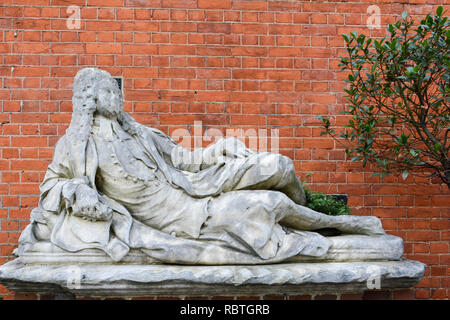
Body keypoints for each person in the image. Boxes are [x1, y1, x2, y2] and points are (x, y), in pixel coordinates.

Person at [18, 68, 385, 264]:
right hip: (185, 216)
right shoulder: (76, 146)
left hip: (197, 183)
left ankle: (318, 211)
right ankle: (342, 227)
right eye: (109, 91)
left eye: (117, 91)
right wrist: (75, 189)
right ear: (91, 99)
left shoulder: (141, 133)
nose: (117, 97)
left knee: (279, 164)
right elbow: (52, 186)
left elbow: (184, 158)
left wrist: (218, 148)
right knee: (268, 206)